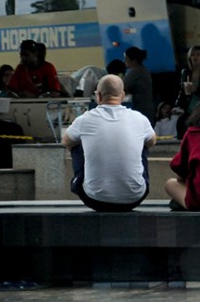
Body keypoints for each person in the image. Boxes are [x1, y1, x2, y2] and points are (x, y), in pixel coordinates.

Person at [62, 74, 156, 212]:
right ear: (123, 96)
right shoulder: (139, 119)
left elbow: (66, 141)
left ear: (98, 96)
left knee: (76, 143)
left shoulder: (85, 119)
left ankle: (79, 180)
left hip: (95, 198)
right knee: (143, 143)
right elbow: (152, 141)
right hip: (135, 197)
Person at [123, 46, 156, 125]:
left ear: (133, 60)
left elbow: (122, 88)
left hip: (140, 109)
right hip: (148, 109)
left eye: (126, 59)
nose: (124, 61)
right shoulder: (143, 70)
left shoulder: (134, 72)